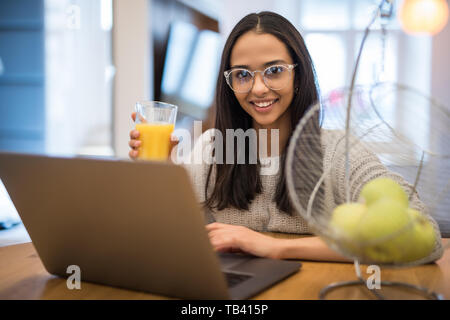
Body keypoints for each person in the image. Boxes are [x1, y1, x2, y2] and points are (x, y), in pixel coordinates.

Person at [128, 11, 443, 263]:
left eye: (274, 70)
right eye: (242, 74)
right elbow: (175, 236)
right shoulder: (213, 148)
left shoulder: (338, 152)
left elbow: (425, 238)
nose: (259, 88)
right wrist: (162, 175)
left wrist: (275, 248)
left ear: (299, 73)